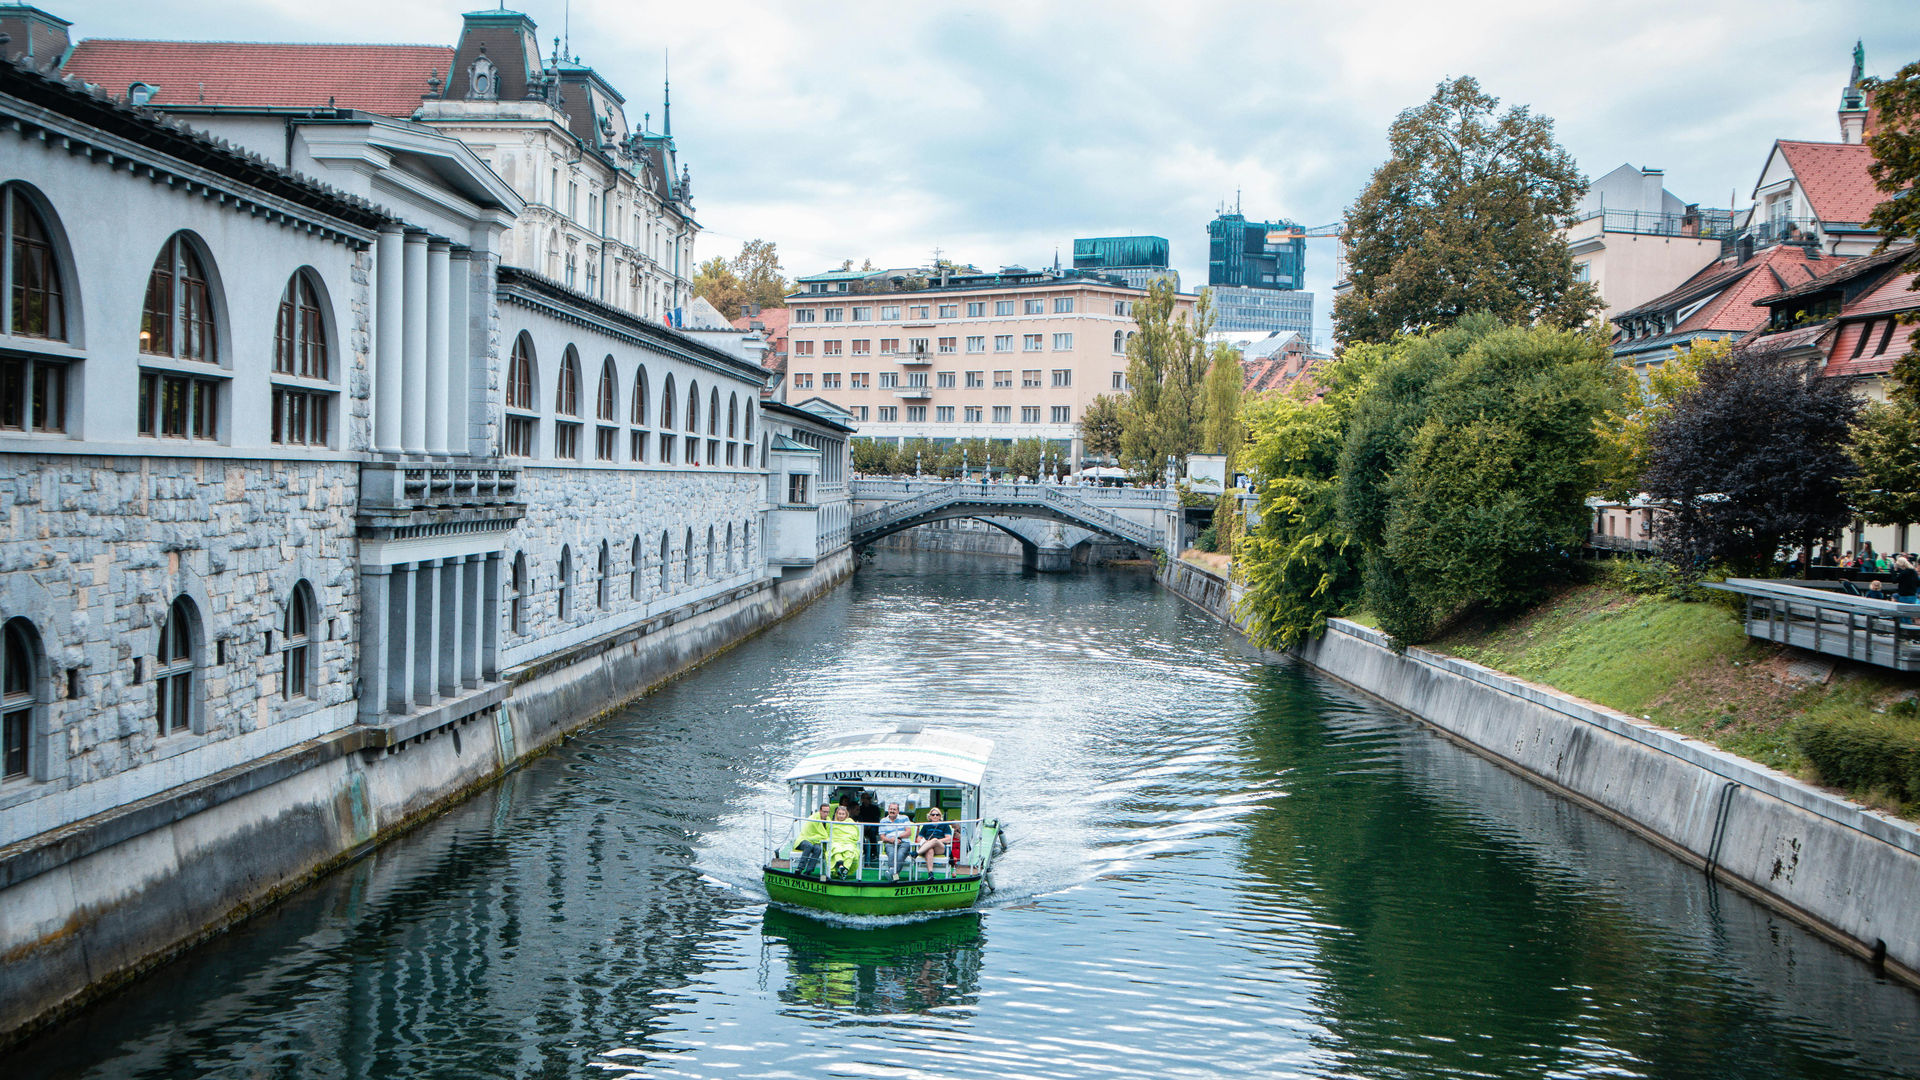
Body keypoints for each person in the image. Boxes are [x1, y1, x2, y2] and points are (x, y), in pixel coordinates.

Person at [790, 802, 834, 877]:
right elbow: (809, 833)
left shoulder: (828, 821)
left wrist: (820, 837)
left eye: (828, 812)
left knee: (818, 849)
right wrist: (821, 836)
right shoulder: (813, 818)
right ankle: (800, 868)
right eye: (824, 812)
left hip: (817, 841)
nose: (826, 814)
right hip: (804, 839)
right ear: (820, 811)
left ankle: (809, 870)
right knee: (808, 846)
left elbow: (828, 835)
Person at [876, 802, 915, 880]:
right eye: (890, 809)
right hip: (889, 842)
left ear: (898, 811)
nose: (892, 811)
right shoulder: (883, 820)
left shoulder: (904, 818)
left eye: (894, 809)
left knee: (900, 854)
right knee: (891, 854)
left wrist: (897, 837)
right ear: (888, 810)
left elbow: (908, 832)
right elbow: (882, 837)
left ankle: (892, 873)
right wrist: (891, 840)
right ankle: (895, 876)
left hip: (903, 841)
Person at [913, 807, 954, 877]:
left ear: (940, 816)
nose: (935, 816)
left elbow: (948, 839)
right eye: (933, 815)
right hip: (927, 847)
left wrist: (936, 841)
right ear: (930, 816)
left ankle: (917, 853)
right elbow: (919, 838)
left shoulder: (945, 825)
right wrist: (926, 842)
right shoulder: (926, 826)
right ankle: (930, 873)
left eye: (937, 815)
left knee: (934, 840)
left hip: (940, 848)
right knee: (930, 850)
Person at [825, 805, 862, 880]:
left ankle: (845, 869)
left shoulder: (850, 822)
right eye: (839, 814)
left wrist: (849, 839)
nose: (841, 816)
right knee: (835, 849)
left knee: (850, 851)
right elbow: (829, 834)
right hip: (836, 841)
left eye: (843, 814)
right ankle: (841, 867)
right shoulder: (833, 823)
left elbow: (854, 834)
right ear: (836, 814)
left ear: (846, 815)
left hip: (848, 842)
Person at [854, 791, 883, 866]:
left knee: (872, 833)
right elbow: (858, 818)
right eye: (867, 798)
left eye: (869, 798)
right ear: (862, 799)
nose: (869, 800)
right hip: (862, 827)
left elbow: (877, 820)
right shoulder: (859, 809)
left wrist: (869, 826)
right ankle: (861, 851)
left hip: (872, 827)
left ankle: (874, 853)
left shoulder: (875, 808)